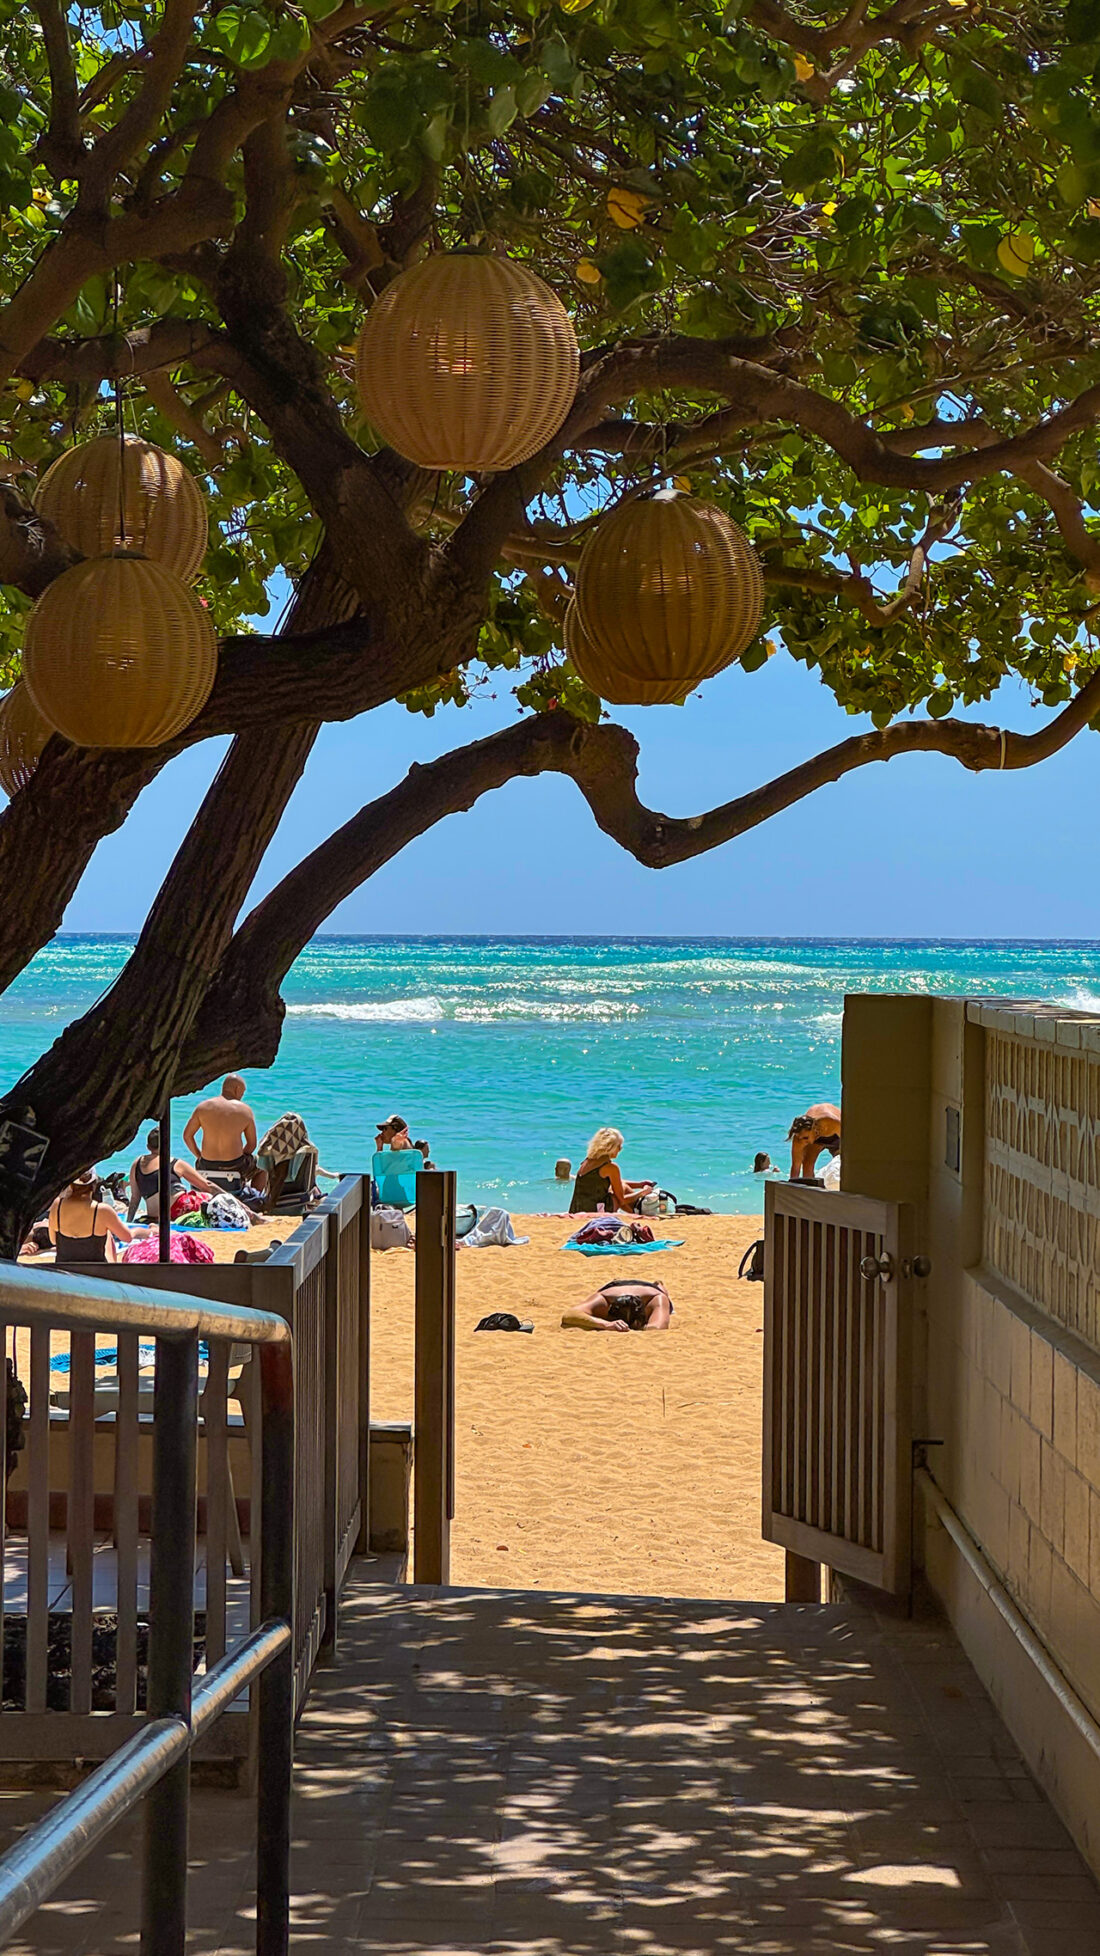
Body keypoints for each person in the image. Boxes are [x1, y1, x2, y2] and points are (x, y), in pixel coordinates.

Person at [49, 1170, 141, 1264]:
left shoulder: (57, 1204)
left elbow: (53, 1240)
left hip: (65, 1270)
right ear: (94, 1184)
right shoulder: (102, 1210)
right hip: (95, 1270)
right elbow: (127, 1238)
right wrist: (137, 1231)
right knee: (107, 1232)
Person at [127, 1129, 217, 1222]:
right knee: (208, 1197)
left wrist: (129, 1221)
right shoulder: (173, 1163)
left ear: (148, 1147)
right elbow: (207, 1185)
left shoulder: (137, 1164)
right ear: (166, 1145)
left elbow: (135, 1198)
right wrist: (227, 1195)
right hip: (178, 1210)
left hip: (154, 1216)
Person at [183, 1075, 258, 1180]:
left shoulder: (202, 1107)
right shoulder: (245, 1110)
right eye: (243, 1092)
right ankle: (254, 1195)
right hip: (235, 1166)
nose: (242, 1095)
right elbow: (252, 1145)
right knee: (261, 1165)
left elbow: (187, 1136)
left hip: (206, 1165)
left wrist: (199, 1156)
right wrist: (239, 1155)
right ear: (237, 1089)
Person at [569, 1127, 655, 1215]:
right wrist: (642, 1193)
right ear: (611, 1147)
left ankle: (634, 1212)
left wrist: (640, 1184)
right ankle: (639, 1211)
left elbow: (614, 1182)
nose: (620, 1149)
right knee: (620, 1192)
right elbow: (622, 1201)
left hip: (576, 1209)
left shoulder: (587, 1161)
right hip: (595, 1211)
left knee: (621, 1186)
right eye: (619, 1146)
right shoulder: (610, 1167)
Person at [562, 1279, 673, 1332]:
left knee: (663, 1293)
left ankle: (659, 1284)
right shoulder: (603, 1299)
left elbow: (657, 1328)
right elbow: (570, 1314)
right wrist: (605, 1324)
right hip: (614, 1287)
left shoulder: (656, 1298)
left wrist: (641, 1328)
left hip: (650, 1289)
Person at [788, 1103, 842, 1181]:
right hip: (816, 1137)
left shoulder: (831, 1122)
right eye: (800, 1138)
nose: (803, 1141)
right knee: (807, 1164)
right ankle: (809, 1190)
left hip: (837, 1136)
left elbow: (850, 1142)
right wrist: (791, 1187)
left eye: (805, 1137)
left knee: (843, 1160)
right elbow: (796, 1167)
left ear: (814, 1129)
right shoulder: (799, 1138)